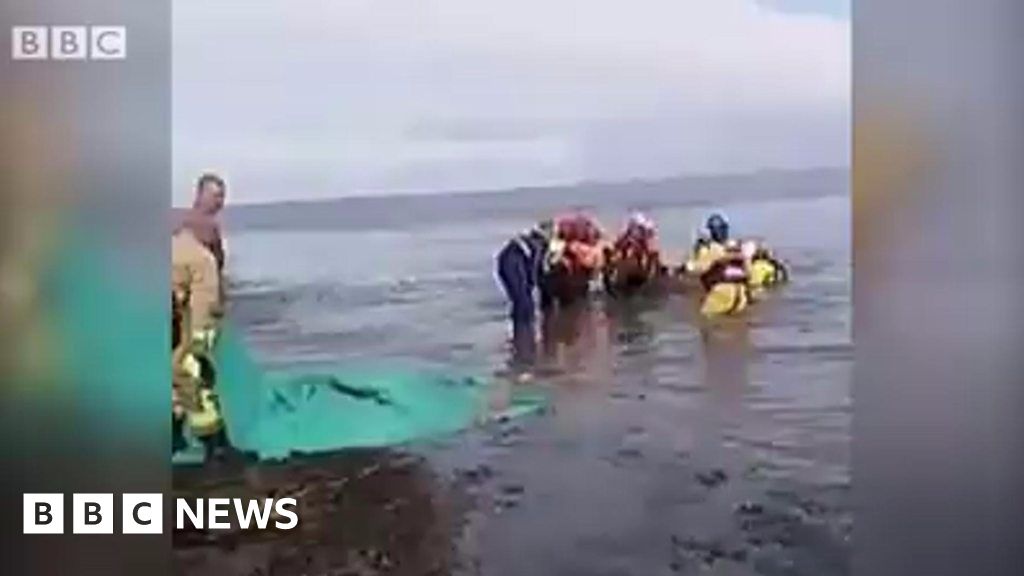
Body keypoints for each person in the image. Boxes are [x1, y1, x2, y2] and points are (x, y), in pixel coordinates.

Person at [496, 221, 554, 368]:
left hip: (504, 262)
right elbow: (535, 268)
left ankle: (519, 338)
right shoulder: (539, 244)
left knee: (520, 301)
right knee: (524, 303)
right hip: (513, 261)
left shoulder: (529, 240)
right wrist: (532, 284)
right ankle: (524, 344)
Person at [177, 172, 228, 271]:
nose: (220, 201)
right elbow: (217, 265)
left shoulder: (182, 220)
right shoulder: (208, 226)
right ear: (200, 195)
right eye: (216, 196)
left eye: (222, 197)